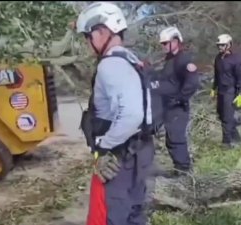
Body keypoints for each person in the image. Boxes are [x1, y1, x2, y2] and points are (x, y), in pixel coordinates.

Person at [76, 2, 155, 225]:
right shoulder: (131, 60)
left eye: (88, 36)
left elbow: (131, 114)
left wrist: (104, 148)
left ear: (102, 32)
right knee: (134, 214)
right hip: (139, 151)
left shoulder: (110, 65)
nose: (87, 43)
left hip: (119, 157)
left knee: (111, 217)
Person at [150, 26, 200, 176]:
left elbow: (192, 82)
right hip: (166, 106)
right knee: (169, 140)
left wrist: (179, 99)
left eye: (166, 43)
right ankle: (179, 169)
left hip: (177, 107)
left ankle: (184, 171)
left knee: (176, 138)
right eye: (162, 44)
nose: (164, 46)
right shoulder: (168, 61)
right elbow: (165, 81)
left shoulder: (183, 60)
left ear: (176, 41)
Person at [210, 34, 241, 149]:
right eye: (219, 46)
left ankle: (226, 143)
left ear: (229, 45)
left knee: (227, 118)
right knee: (221, 116)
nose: (220, 47)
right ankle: (237, 139)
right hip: (220, 91)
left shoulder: (236, 59)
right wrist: (213, 89)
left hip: (231, 92)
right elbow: (217, 75)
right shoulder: (218, 58)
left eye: (222, 45)